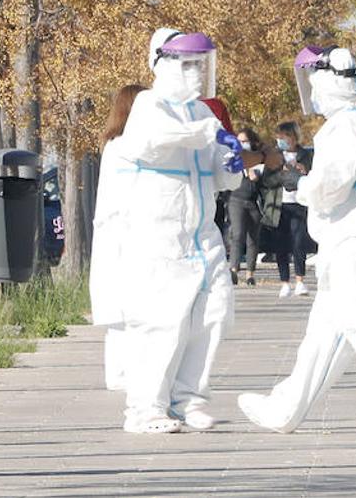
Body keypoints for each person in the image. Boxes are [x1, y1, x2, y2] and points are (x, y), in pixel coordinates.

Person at [239, 46, 356, 434]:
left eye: (314, 82)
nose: (312, 91)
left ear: (327, 82)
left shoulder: (342, 128)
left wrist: (301, 184)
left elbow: (329, 189)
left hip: (355, 247)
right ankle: (286, 408)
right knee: (325, 335)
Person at [114, 28, 244, 433]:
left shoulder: (201, 112)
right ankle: (145, 408)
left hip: (203, 232)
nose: (194, 73)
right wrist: (205, 134)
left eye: (198, 65)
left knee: (214, 315)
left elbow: (221, 177)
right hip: (162, 232)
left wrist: (230, 163)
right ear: (162, 63)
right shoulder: (150, 106)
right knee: (163, 321)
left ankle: (188, 398)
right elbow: (149, 144)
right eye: (186, 65)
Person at [89, 83, 147, 392]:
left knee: (123, 311)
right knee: (127, 308)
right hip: (126, 235)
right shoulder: (126, 148)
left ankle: (122, 373)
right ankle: (124, 374)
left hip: (120, 235)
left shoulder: (113, 146)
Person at [228, 128, 282, 286]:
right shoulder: (233, 157)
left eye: (244, 141)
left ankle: (250, 274)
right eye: (239, 141)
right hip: (236, 199)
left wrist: (258, 177)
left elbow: (270, 183)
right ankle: (233, 270)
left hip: (254, 202)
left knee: (253, 238)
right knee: (237, 235)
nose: (241, 144)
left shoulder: (261, 159)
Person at [274, 121, 314, 298]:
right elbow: (267, 177)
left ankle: (300, 281)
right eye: (279, 136)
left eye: (285, 136)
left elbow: (314, 175)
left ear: (293, 136)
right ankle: (284, 282)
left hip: (299, 203)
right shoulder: (275, 155)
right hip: (279, 203)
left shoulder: (305, 154)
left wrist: (304, 171)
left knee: (298, 242)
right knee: (281, 244)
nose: (282, 140)